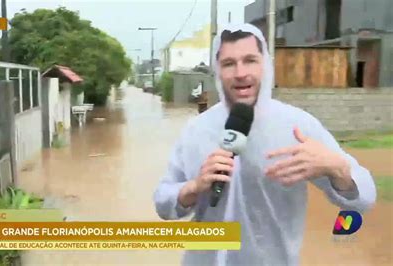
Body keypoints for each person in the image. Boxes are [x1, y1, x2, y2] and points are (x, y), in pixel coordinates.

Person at [153, 23, 376, 266]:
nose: (240, 73)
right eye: (229, 63)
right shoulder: (196, 130)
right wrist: (193, 188)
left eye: (250, 60)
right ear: (218, 70)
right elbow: (163, 203)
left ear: (265, 65)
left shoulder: (298, 126)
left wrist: (337, 168)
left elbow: (364, 199)